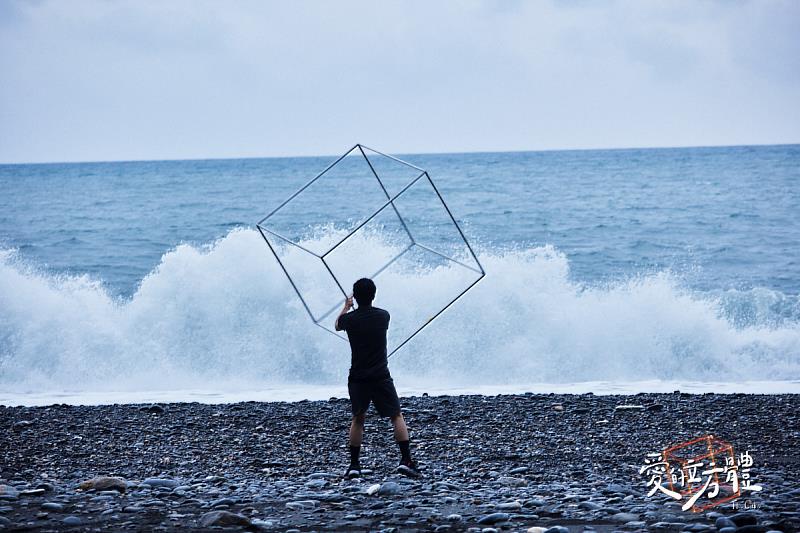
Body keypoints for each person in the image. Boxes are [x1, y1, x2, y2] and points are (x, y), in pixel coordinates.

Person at [335, 277, 419, 478]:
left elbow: (338, 324)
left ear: (356, 296)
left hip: (358, 376)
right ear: (374, 295)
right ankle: (406, 460)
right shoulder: (383, 316)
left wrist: (346, 307)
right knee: (396, 415)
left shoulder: (350, 320)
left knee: (358, 419)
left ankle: (354, 465)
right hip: (381, 375)